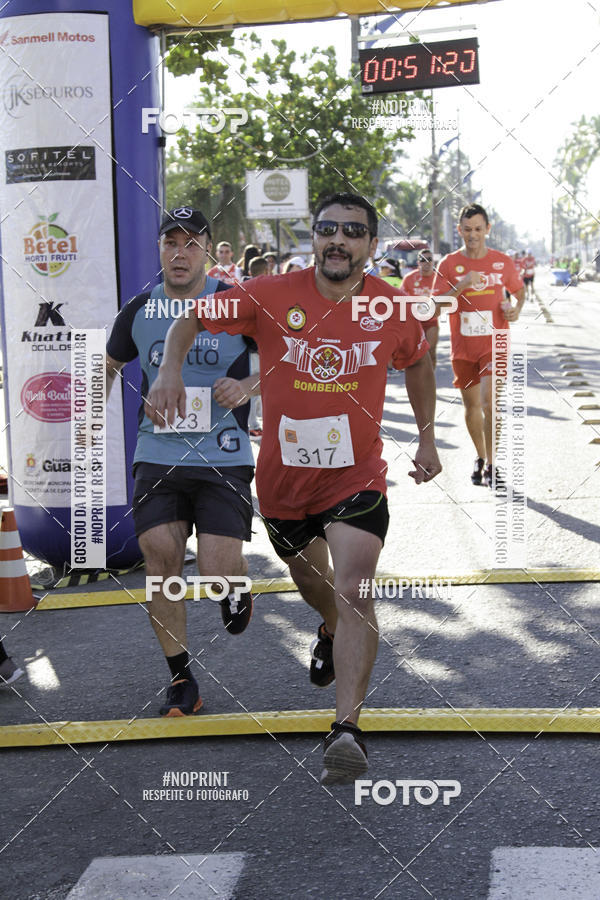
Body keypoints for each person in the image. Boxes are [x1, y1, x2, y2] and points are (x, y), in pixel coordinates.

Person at [147, 191, 441, 784]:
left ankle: (347, 729)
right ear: (314, 237)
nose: (338, 239)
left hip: (358, 476)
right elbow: (189, 318)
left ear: (371, 246)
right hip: (284, 483)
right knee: (314, 582)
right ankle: (328, 628)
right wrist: (170, 370)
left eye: (352, 231)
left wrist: (428, 438)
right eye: (327, 229)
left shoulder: (391, 308)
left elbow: (418, 360)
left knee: (357, 584)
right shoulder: (269, 294)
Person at [105, 207, 260, 717]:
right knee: (161, 559)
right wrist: (87, 425)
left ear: (208, 251)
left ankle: (233, 588)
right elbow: (107, 364)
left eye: (191, 243)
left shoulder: (233, 303)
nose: (180, 252)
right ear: (159, 249)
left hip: (224, 454)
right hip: (159, 452)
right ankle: (180, 677)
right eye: (171, 242)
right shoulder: (140, 309)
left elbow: (287, 357)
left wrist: (247, 386)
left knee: (215, 569)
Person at [432, 203, 524, 488]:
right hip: (463, 347)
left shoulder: (502, 262)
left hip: (494, 343)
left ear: (488, 230)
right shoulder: (448, 263)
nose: (473, 235)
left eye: (478, 230)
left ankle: (494, 465)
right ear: (460, 230)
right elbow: (435, 307)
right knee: (472, 407)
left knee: (489, 402)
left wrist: (516, 309)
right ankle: (481, 457)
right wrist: (462, 284)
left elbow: (519, 292)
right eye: (467, 230)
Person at [401, 249, 439, 368]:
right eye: (423, 260)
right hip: (414, 322)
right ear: (418, 262)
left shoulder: (438, 278)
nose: (426, 263)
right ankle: (420, 379)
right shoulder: (409, 278)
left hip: (431, 321)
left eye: (429, 259)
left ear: (433, 262)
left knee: (431, 351)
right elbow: (401, 299)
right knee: (416, 354)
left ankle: (430, 379)